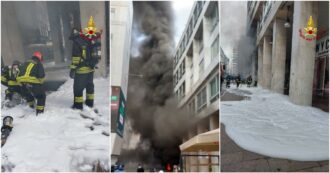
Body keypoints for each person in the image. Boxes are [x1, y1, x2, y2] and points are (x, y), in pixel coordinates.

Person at [69, 16, 101, 110]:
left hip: (81, 70)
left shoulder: (77, 42)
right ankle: (90, 103)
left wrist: (72, 69)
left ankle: (78, 106)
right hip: (90, 69)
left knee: (78, 89)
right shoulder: (87, 39)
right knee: (89, 86)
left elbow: (76, 58)